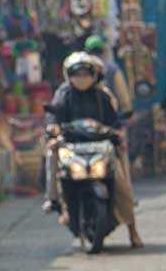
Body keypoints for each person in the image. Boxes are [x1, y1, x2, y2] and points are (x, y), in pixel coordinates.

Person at [43, 53, 144, 249]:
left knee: (122, 182)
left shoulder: (102, 95)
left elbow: (114, 120)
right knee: (51, 152)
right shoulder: (63, 94)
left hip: (101, 146)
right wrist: (53, 129)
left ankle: (133, 230)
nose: (82, 77)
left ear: (93, 74)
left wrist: (118, 134)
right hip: (72, 147)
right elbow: (53, 117)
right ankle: (53, 198)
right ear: (69, 75)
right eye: (77, 73)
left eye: (85, 73)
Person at [85, 34, 132, 115]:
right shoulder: (112, 68)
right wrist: (126, 110)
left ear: (86, 51)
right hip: (109, 114)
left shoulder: (81, 69)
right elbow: (122, 94)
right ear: (103, 51)